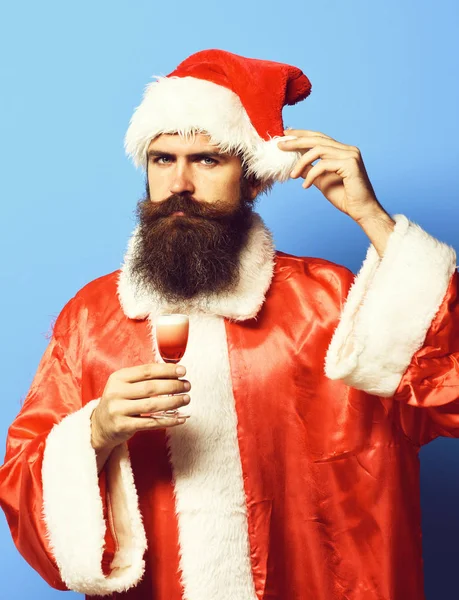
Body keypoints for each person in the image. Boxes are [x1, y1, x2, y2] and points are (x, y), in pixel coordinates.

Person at [1, 48, 458, 600]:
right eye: (163, 159)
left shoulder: (331, 300)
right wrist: (94, 434)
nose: (180, 183)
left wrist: (372, 218)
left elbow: (448, 387)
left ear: (255, 180)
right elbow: (21, 483)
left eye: (208, 160)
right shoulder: (92, 318)